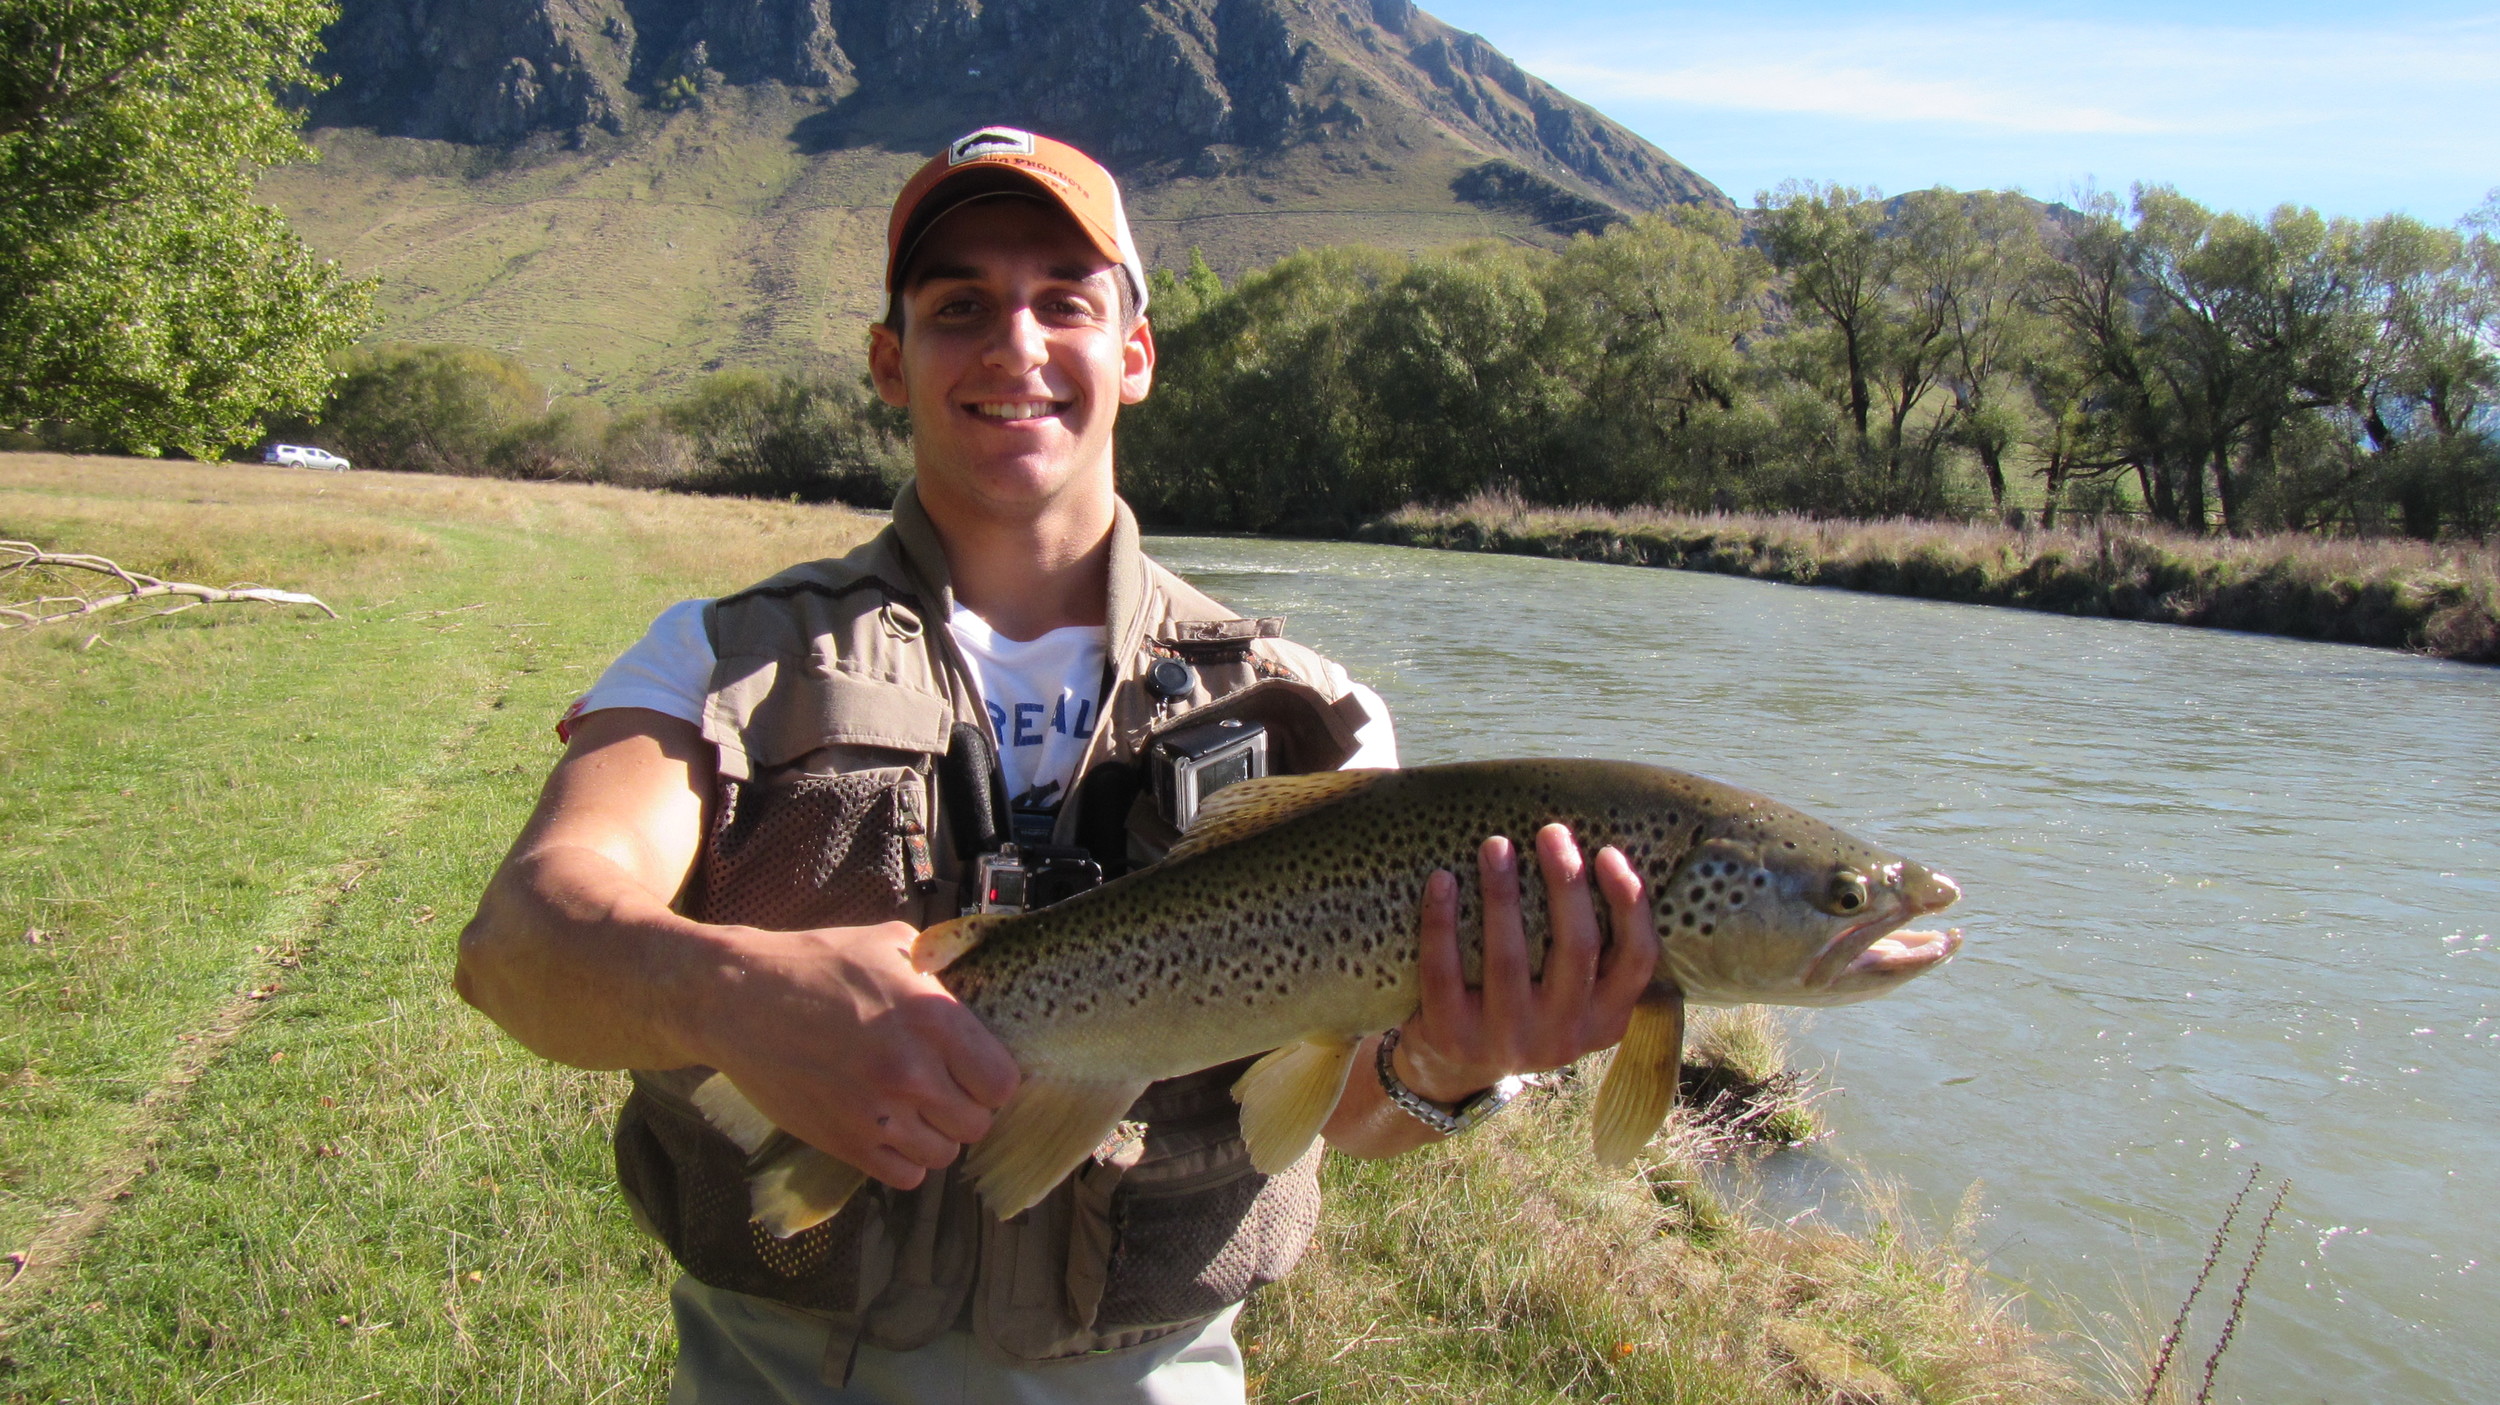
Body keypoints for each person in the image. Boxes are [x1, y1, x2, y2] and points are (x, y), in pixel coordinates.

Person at [455, 126, 1659, 1405]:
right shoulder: (716, 655)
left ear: (1132, 354)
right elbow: (515, 945)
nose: (1014, 344)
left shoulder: (1316, 714)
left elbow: (1353, 1110)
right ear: (889, 360)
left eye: (1064, 304)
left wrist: (1446, 1070)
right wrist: (728, 994)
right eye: (959, 305)